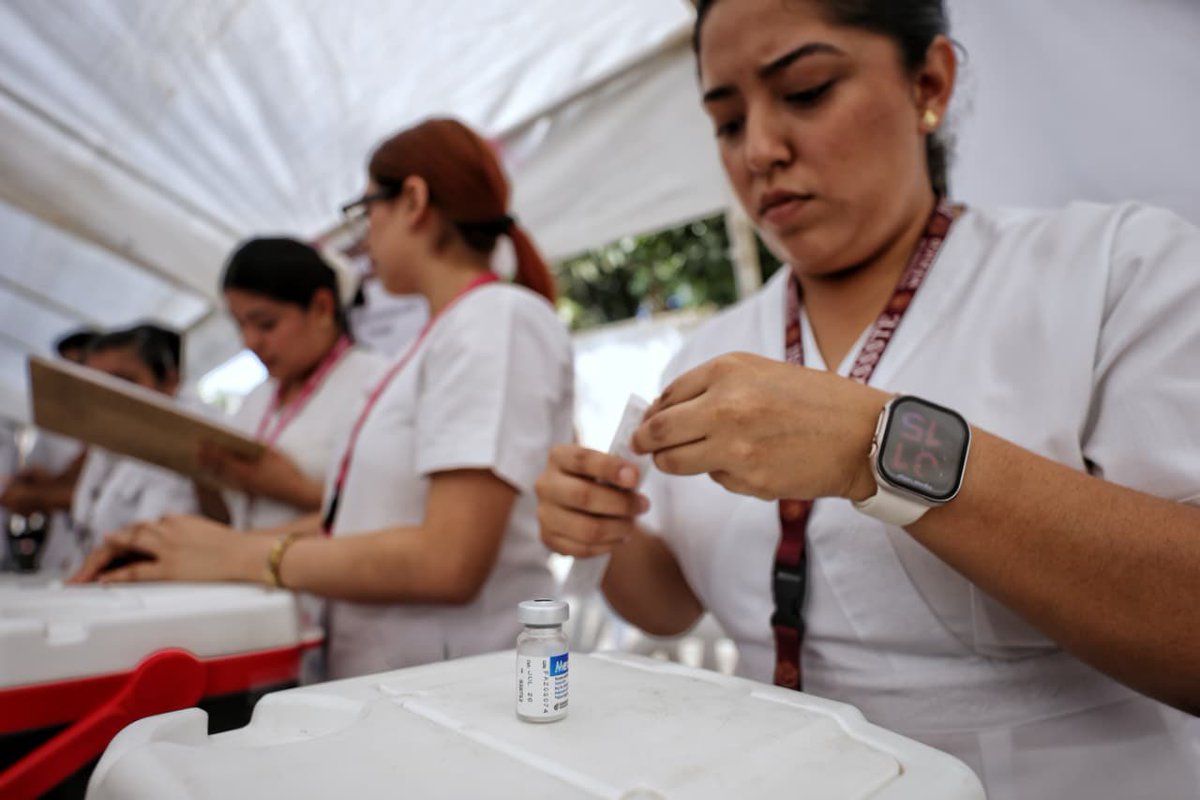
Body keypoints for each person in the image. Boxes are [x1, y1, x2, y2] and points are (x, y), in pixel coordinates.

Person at [534, 1, 1200, 797]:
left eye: (808, 91)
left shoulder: (1109, 271)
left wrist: (876, 446)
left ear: (930, 81)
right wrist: (609, 533)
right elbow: (674, 607)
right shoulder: (712, 350)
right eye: (726, 122)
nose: (760, 150)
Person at [74, 118, 574, 681]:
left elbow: (449, 560)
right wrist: (188, 546)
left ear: (412, 201)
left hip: (460, 693)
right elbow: (355, 522)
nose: (363, 239)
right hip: (404, 688)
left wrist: (240, 556)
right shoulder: (440, 338)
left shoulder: (493, 321)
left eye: (366, 213)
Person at [205, 237, 387, 531]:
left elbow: (393, 514)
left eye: (266, 324)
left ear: (321, 308)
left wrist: (293, 489)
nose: (250, 342)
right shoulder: (256, 398)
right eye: (240, 326)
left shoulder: (374, 383)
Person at [62, 324, 203, 573]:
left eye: (123, 382)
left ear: (169, 381)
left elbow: (155, 543)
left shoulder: (191, 444)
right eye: (95, 385)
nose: (108, 397)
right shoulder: (106, 448)